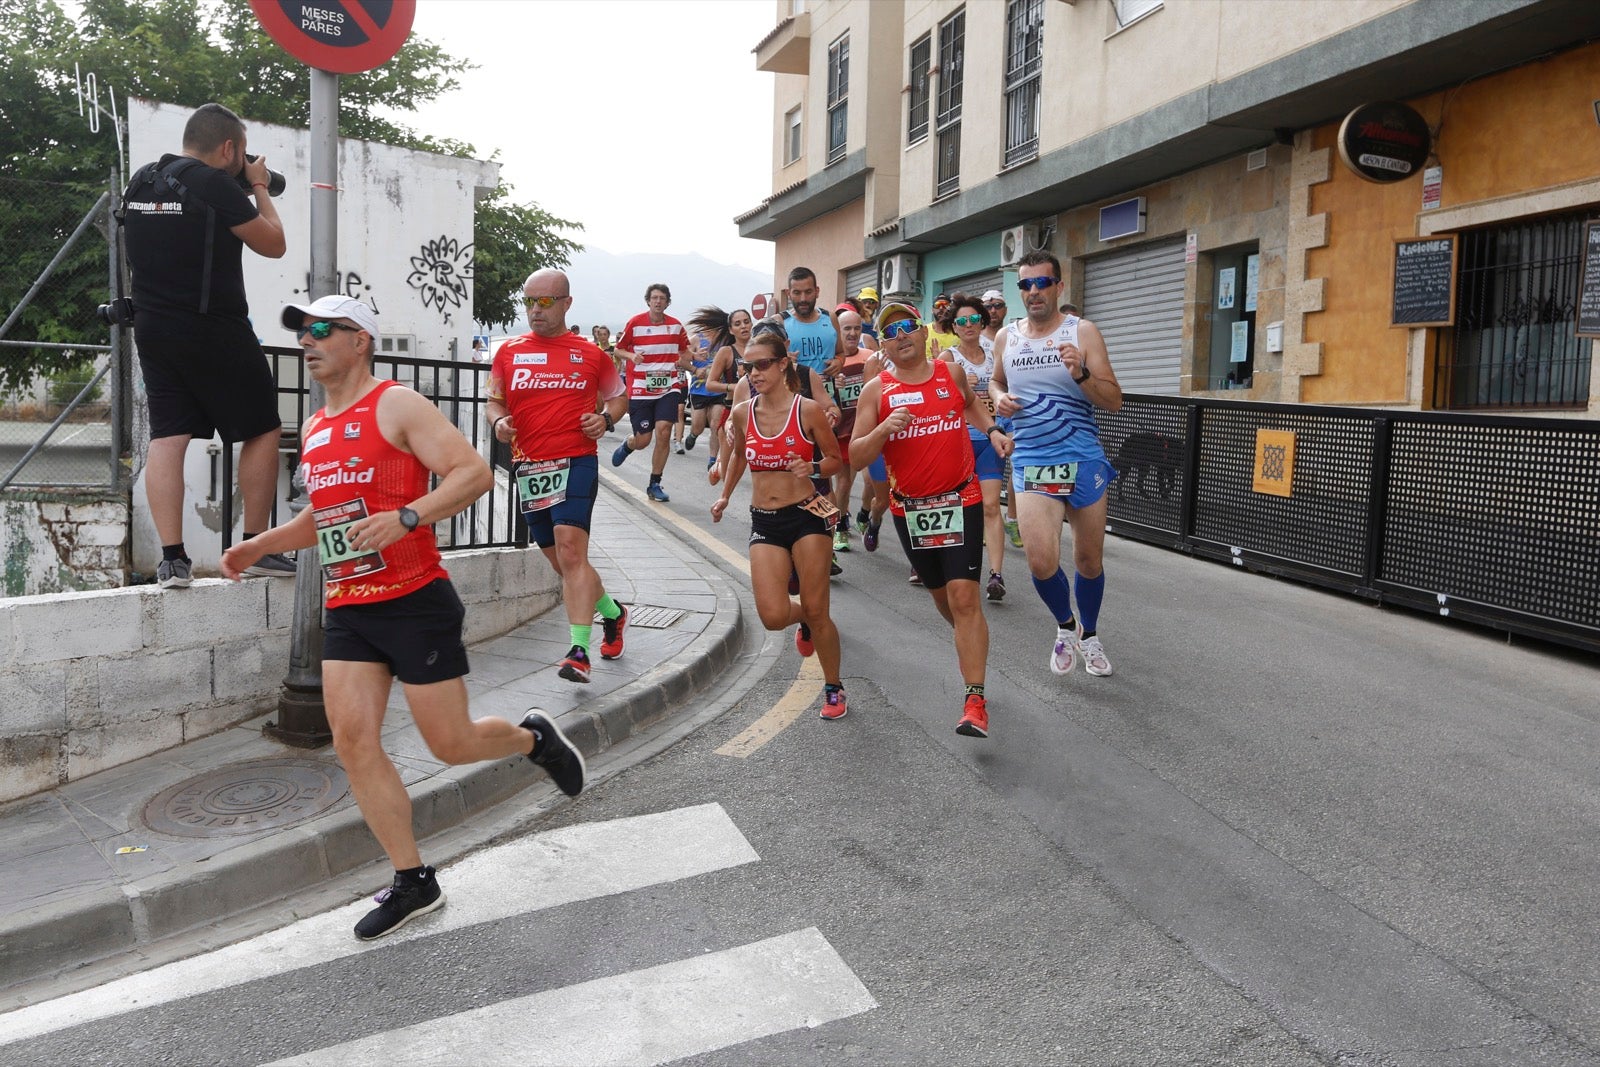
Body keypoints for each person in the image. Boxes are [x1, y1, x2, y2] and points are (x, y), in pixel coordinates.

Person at [221, 295, 585, 941]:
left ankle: (534, 739)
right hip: (350, 608)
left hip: (416, 599)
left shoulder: (396, 404)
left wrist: (410, 515)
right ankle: (413, 878)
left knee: (450, 743)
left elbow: (472, 473)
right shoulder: (316, 426)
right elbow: (324, 520)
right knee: (355, 739)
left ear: (360, 339)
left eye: (323, 330)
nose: (309, 341)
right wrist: (262, 543)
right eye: (303, 332)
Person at [121, 102, 292, 589]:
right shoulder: (215, 184)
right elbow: (273, 243)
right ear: (229, 148)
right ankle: (256, 547)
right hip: (213, 327)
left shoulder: (143, 181)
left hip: (152, 327)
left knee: (168, 437)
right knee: (262, 428)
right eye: (240, 155)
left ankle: (172, 560)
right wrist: (257, 184)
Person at [850, 301, 1011, 738]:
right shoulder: (877, 391)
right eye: (890, 332)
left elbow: (970, 407)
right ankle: (970, 641)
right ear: (883, 344)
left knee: (963, 597)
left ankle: (974, 700)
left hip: (962, 498)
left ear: (923, 333)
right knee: (945, 603)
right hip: (912, 511)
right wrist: (883, 430)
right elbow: (856, 454)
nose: (901, 335)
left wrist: (993, 430)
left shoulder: (949, 373)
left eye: (907, 327)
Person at [486, 269, 631, 684]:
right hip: (530, 467)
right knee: (563, 564)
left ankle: (578, 651)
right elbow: (493, 403)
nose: (535, 310)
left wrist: (605, 419)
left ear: (567, 304)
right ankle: (613, 614)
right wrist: (499, 424)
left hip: (576, 461)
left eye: (545, 302)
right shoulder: (509, 352)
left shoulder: (590, 353)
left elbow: (619, 397)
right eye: (529, 301)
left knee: (571, 553)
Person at [990, 251, 1123, 679]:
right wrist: (997, 399)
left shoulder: (1082, 331)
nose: (1033, 292)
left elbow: (1114, 401)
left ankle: (1090, 635)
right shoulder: (1007, 338)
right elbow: (995, 379)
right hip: (1032, 461)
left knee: (1088, 560)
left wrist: (1082, 374)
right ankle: (1066, 627)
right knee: (1041, 562)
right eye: (1025, 285)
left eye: (1041, 283)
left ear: (1058, 286)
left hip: (1082, 459)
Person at [711, 332, 848, 720]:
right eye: (748, 367)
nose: (754, 373)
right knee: (773, 616)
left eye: (762, 364)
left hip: (807, 514)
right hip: (765, 520)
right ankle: (801, 616)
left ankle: (834, 686)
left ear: (783, 363)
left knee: (819, 608)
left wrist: (815, 467)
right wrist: (724, 495)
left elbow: (837, 459)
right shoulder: (742, 412)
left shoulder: (807, 411)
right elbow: (739, 456)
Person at [937, 293, 1010, 602]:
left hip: (991, 439)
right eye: (961, 321)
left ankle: (995, 575)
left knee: (991, 506)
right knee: (956, 508)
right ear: (954, 326)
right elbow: (937, 402)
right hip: (959, 441)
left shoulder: (997, 353)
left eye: (973, 319)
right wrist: (956, 386)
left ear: (982, 321)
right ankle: (942, 565)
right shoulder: (948, 359)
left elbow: (1007, 388)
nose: (968, 325)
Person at [612, 283, 690, 501]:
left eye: (662, 298)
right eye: (654, 297)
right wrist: (631, 357)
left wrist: (697, 356)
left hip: (668, 386)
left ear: (667, 302)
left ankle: (654, 483)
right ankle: (629, 444)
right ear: (648, 301)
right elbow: (618, 348)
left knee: (664, 431)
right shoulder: (635, 323)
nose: (658, 301)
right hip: (640, 389)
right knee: (643, 440)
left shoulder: (675, 326)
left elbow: (685, 350)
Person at [827, 308, 878, 554]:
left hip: (868, 428)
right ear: (838, 331)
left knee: (873, 481)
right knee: (844, 482)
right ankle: (840, 527)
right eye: (846, 328)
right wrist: (833, 386)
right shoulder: (831, 362)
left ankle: (864, 512)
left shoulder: (870, 356)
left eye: (857, 328)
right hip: (842, 431)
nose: (852, 333)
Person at [982, 289, 1022, 549]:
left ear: (1005, 309)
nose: (993, 310)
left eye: (998, 305)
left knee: (1018, 464)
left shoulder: (1013, 337)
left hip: (1010, 412)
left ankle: (1012, 518)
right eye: (988, 306)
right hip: (983, 417)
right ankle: (988, 522)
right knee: (988, 478)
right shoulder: (973, 336)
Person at [688, 306, 748, 465]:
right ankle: (693, 435)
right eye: (738, 323)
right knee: (698, 426)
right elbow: (682, 359)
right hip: (700, 389)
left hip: (720, 394)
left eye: (746, 322)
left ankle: (713, 459)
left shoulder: (726, 341)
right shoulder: (696, 339)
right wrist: (694, 365)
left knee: (715, 425)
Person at [783, 267, 844, 379]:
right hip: (795, 394)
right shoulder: (780, 322)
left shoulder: (830, 318)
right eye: (797, 293)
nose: (803, 299)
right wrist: (782, 360)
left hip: (828, 395)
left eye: (808, 292)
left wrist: (839, 362)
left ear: (817, 291)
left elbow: (840, 353)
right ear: (788, 294)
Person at [924, 293, 957, 362]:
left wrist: (940, 360)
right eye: (937, 305)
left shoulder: (958, 331)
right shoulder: (924, 331)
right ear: (932, 309)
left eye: (945, 304)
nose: (941, 308)